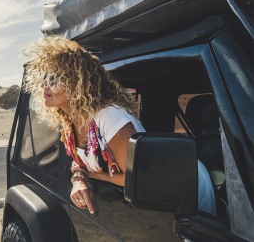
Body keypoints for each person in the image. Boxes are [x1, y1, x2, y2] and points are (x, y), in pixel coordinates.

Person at [20, 36, 216, 216]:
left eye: (54, 78)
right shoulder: (68, 119)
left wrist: (93, 175)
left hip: (184, 184)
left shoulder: (109, 116)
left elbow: (136, 178)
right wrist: (79, 178)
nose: (44, 84)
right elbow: (78, 161)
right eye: (43, 78)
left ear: (76, 82)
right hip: (156, 193)